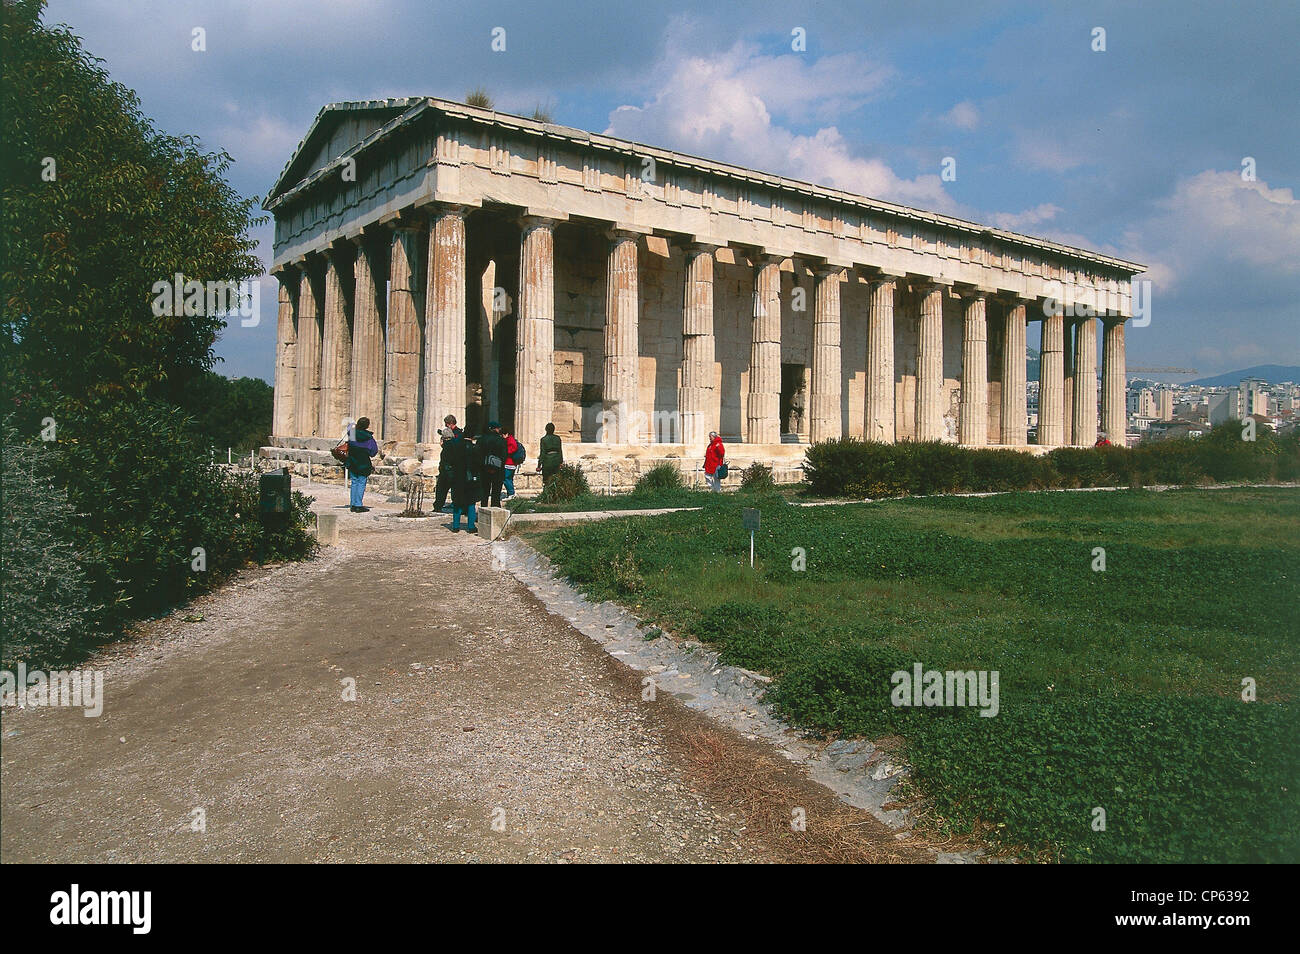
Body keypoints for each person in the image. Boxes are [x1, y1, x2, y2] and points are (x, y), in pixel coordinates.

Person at [445, 429, 478, 532]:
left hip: (457, 477)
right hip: (470, 478)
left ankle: (455, 526)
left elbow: (449, 462)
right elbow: (477, 465)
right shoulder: (474, 448)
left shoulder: (455, 446)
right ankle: (471, 526)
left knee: (457, 502)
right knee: (471, 503)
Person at [346, 417, 379, 512]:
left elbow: (349, 426)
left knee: (354, 482)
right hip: (363, 462)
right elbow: (373, 452)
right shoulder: (369, 438)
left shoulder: (352, 433)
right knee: (361, 483)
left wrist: (356, 426)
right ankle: (358, 505)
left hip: (352, 461)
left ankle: (353, 504)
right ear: (367, 426)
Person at [477, 421, 508, 507]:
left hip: (484, 469)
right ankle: (495, 509)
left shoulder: (481, 440)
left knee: (484, 492)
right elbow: (504, 456)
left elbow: (478, 455)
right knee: (496, 492)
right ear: (496, 429)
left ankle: (483, 509)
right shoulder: (501, 440)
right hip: (498, 469)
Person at [433, 427, 455, 512]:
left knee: (441, 490)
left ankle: (438, 507)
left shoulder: (447, 446)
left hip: (446, 472)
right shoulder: (455, 445)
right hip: (452, 471)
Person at [539, 422, 563, 486]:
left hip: (547, 461)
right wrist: (561, 462)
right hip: (556, 460)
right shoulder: (558, 438)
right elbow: (560, 450)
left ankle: (547, 494)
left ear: (546, 429)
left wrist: (539, 465)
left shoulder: (543, 439)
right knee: (555, 479)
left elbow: (542, 453)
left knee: (546, 480)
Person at [502, 428, 521, 500]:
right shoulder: (511, 439)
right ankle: (510, 493)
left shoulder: (509, 440)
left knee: (506, 478)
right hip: (511, 463)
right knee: (509, 479)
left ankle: (511, 493)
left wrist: (505, 452)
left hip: (509, 463)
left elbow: (513, 448)